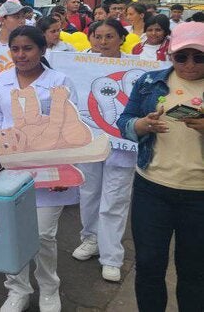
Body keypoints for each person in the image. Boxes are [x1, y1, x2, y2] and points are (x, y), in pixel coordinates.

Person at [117, 21, 204, 312]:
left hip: (199, 195)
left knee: (194, 272)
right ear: (171, 54)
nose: (189, 64)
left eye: (199, 57)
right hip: (152, 189)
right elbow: (124, 122)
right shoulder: (149, 82)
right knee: (149, 265)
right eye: (182, 57)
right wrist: (140, 125)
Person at [0, 26, 80, 312]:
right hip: (11, 168)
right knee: (12, 231)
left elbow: (71, 124)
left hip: (49, 170)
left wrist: (65, 168)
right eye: (15, 49)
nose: (20, 55)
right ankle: (17, 288)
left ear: (42, 50)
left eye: (27, 48)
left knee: (43, 234)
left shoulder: (59, 81)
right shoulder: (3, 80)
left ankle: (49, 287)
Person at [72, 19, 135, 282]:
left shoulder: (138, 68)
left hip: (122, 145)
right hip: (90, 140)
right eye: (97, 36)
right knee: (88, 194)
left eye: (109, 36)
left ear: (121, 38)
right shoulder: (79, 64)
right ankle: (91, 238)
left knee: (115, 200)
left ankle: (111, 257)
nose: (103, 42)